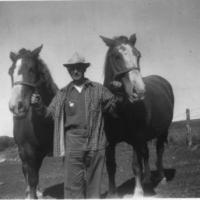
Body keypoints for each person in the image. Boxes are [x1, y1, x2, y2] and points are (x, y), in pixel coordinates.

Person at [31, 52, 123, 199]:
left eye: (78, 67)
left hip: (96, 143)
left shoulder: (99, 89)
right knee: (73, 189)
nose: (75, 71)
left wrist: (119, 93)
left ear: (84, 69)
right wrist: (38, 105)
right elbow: (49, 115)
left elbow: (115, 109)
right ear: (68, 71)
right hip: (73, 145)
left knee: (94, 188)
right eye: (72, 68)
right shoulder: (63, 94)